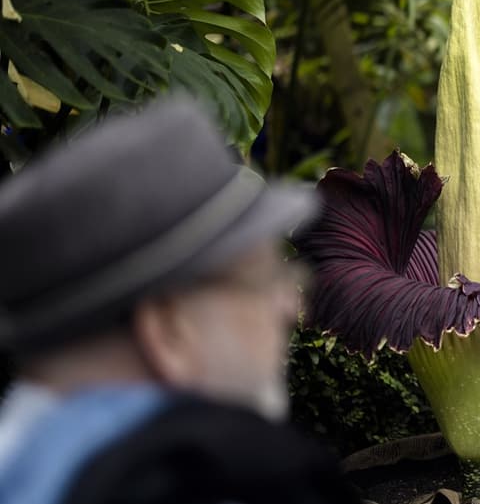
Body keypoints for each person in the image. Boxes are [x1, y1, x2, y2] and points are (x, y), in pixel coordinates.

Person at [0, 98, 358, 504]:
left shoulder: (19, 454)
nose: (291, 308)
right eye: (263, 280)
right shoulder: (216, 479)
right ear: (169, 328)